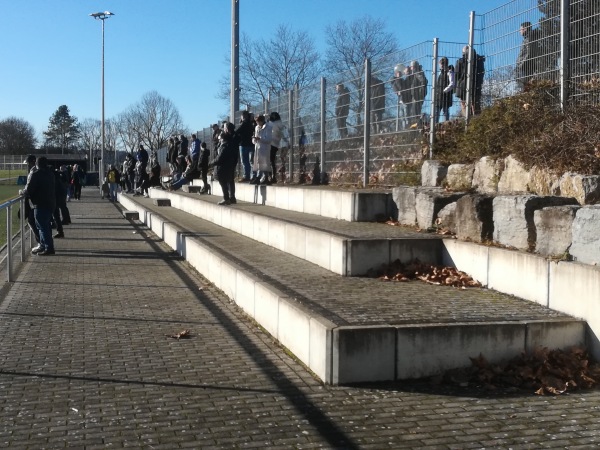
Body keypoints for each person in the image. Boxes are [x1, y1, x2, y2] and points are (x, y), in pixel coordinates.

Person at [20, 156, 56, 256]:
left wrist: (22, 192)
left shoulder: (36, 175)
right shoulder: (50, 174)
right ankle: (45, 246)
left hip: (40, 204)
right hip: (51, 203)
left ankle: (48, 248)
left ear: (37, 164)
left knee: (42, 227)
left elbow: (29, 190)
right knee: (45, 226)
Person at [209, 122, 239, 205]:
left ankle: (230, 197)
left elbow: (225, 154)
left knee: (228, 179)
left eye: (224, 127)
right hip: (227, 161)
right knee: (228, 179)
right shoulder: (225, 139)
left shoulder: (231, 137)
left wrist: (212, 163)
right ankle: (230, 197)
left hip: (228, 161)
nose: (223, 128)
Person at [455, 46, 484, 117]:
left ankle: (467, 120)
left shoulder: (461, 61)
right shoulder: (479, 60)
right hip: (476, 84)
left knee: (464, 103)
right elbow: (482, 72)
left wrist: (459, 82)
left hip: (463, 85)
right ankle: (477, 120)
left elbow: (456, 75)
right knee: (475, 103)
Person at [516, 21, 542, 91]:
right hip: (526, 67)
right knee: (525, 88)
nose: (519, 31)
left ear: (525, 29)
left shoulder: (529, 38)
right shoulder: (528, 38)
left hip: (525, 68)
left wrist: (521, 64)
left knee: (524, 88)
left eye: (520, 29)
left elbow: (530, 52)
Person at [251, 114, 273, 185]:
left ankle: (262, 177)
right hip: (258, 147)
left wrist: (260, 139)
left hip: (264, 148)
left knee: (264, 163)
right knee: (259, 163)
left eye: (258, 121)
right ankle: (261, 177)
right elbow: (255, 139)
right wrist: (254, 140)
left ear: (262, 121)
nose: (257, 123)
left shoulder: (268, 127)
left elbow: (269, 139)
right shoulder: (257, 127)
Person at [269, 112, 288, 184]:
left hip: (270, 143)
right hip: (276, 144)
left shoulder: (272, 124)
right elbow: (284, 134)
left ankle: (271, 176)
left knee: (270, 161)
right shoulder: (281, 124)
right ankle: (274, 176)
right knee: (272, 161)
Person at [434, 57, 455, 123]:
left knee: (445, 112)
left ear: (443, 64)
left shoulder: (449, 72)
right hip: (438, 95)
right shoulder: (440, 73)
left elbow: (452, 84)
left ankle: (446, 125)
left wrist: (444, 91)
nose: (440, 66)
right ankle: (435, 125)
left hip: (446, 96)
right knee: (436, 112)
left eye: (441, 64)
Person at [236, 111, 255, 182]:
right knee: (251, 161)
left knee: (245, 161)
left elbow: (237, 131)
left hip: (243, 144)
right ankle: (253, 175)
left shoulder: (244, 124)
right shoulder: (252, 124)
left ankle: (246, 175)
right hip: (251, 144)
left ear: (243, 116)